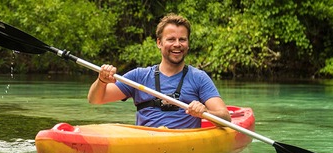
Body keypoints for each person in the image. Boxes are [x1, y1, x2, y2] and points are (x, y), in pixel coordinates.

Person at [87, 13, 231, 129]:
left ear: (188, 44)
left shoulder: (199, 78)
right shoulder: (138, 76)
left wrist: (205, 113)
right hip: (146, 142)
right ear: (159, 43)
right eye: (171, 39)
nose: (177, 44)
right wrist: (102, 81)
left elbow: (225, 118)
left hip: (184, 144)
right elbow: (95, 99)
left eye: (182, 39)